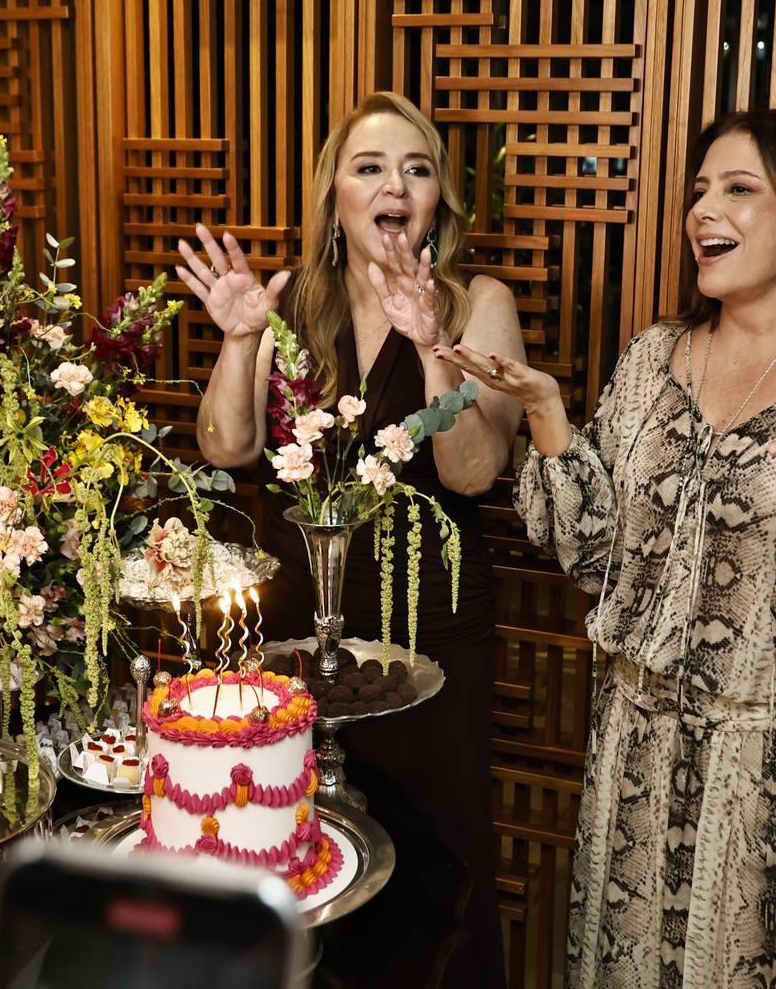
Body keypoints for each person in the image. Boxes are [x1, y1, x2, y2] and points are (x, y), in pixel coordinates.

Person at [440, 107, 776, 987]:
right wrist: (548, 415)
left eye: (739, 189)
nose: (704, 209)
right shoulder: (653, 358)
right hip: (638, 752)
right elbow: (598, 562)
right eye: (701, 189)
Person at [177, 90, 525, 987]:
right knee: (300, 850)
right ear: (335, 197)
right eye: (370, 167)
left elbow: (474, 472)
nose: (395, 186)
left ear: (439, 200)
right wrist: (241, 340)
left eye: (417, 169)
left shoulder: (478, 303)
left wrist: (434, 344)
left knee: (433, 863)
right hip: (299, 625)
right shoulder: (293, 303)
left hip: (429, 631)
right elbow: (227, 447)